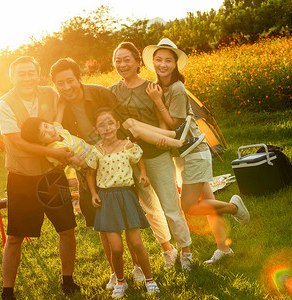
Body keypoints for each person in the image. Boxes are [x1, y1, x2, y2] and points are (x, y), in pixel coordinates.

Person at [50, 58, 179, 287]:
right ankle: (116, 272)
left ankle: (147, 261)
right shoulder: (60, 106)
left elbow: (122, 122)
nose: (67, 87)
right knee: (104, 221)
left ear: (79, 78)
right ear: (55, 85)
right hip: (88, 168)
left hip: (117, 163)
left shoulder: (100, 94)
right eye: (60, 83)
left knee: (137, 213)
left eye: (70, 80)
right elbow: (57, 134)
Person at [142, 38, 250, 264]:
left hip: (194, 153)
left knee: (188, 207)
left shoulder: (178, 88)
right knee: (208, 202)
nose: (163, 64)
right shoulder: (159, 87)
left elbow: (175, 124)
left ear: (175, 64)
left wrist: (156, 100)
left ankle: (233, 206)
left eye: (168, 61)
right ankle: (224, 248)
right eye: (159, 60)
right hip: (184, 154)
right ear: (153, 62)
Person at [0, 56, 80, 300]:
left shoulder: (51, 94)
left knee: (67, 230)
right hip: (21, 177)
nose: (27, 77)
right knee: (14, 237)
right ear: (12, 78)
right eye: (21, 74)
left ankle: (68, 280)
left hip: (53, 177)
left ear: (37, 74)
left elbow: (61, 117)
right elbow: (16, 141)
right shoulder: (5, 103)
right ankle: (7, 291)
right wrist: (53, 152)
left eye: (31, 72)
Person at [110, 42, 194, 271]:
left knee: (170, 205)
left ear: (138, 62)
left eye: (127, 59)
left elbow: (162, 117)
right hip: (133, 159)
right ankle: (168, 250)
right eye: (118, 60)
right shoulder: (113, 91)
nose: (122, 64)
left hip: (156, 153)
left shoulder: (151, 87)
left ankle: (186, 251)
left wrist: (160, 138)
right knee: (150, 208)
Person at [86, 109, 160, 298]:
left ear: (117, 125)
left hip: (126, 195)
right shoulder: (96, 151)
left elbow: (139, 161)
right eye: (101, 125)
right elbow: (90, 173)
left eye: (110, 123)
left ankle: (149, 279)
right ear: (96, 129)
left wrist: (143, 174)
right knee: (116, 248)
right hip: (107, 198)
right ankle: (121, 281)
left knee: (136, 243)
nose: (107, 128)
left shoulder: (128, 146)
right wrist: (94, 193)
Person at [20, 117, 90, 169]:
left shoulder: (57, 129)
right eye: (44, 134)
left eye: (46, 126)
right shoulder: (55, 147)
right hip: (89, 164)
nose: (50, 131)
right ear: (42, 143)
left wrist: (63, 102)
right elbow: (81, 163)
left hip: (92, 151)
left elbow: (60, 111)